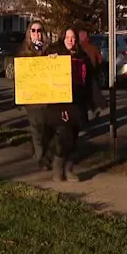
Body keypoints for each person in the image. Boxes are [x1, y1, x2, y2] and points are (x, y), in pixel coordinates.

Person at [42, 27, 94, 182]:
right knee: (65, 137)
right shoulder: (55, 55)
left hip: (77, 102)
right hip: (59, 104)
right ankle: (58, 166)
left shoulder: (81, 55)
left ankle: (69, 169)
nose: (71, 40)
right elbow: (46, 76)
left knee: (75, 136)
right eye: (67, 37)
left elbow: (89, 80)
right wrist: (50, 61)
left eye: (73, 38)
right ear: (62, 39)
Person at [17, 20, 50, 166]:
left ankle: (42, 152)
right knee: (37, 127)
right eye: (34, 30)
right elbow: (21, 74)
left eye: (39, 30)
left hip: (48, 97)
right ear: (29, 34)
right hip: (32, 98)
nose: (37, 34)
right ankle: (40, 157)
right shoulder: (24, 52)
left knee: (47, 128)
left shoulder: (48, 50)